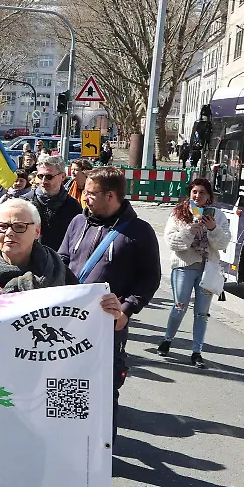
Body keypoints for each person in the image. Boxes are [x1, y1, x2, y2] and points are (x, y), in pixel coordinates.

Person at [58, 166, 161, 442]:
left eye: (91, 193)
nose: (85, 198)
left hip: (108, 326)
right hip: (68, 322)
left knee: (103, 390)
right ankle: (71, 447)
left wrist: (127, 310)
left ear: (111, 195)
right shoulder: (78, 223)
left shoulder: (140, 232)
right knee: (66, 383)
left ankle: (100, 461)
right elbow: (63, 260)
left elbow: (150, 277)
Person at [158, 178, 231, 368]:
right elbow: (171, 242)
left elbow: (223, 244)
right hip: (185, 265)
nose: (198, 196)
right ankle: (167, 339)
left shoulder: (219, 216)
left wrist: (212, 228)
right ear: (190, 194)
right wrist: (190, 231)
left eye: (202, 193)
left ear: (209, 196)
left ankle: (197, 352)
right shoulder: (179, 214)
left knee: (201, 313)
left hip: (208, 268)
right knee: (180, 306)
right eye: (194, 192)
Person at [23, 155, 82, 251]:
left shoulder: (74, 207)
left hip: (60, 262)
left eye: (49, 177)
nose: (43, 181)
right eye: (40, 176)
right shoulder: (25, 203)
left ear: (62, 176)